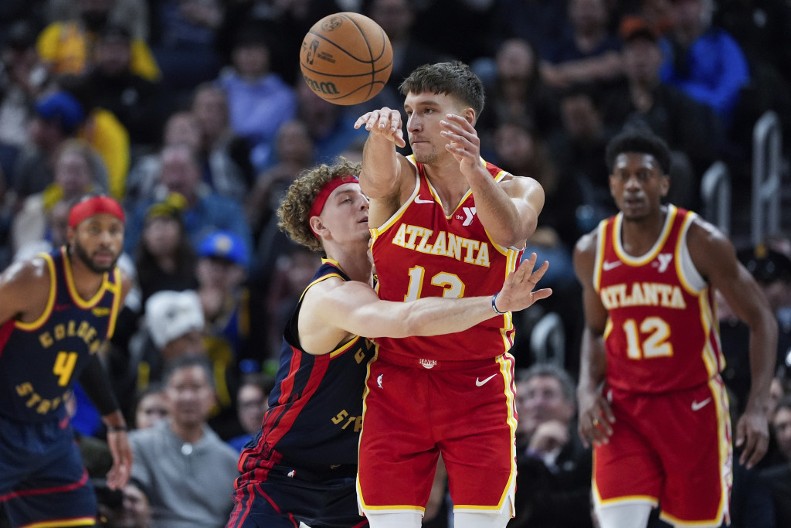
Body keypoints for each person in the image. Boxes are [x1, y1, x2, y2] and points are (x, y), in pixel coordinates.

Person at [226, 158, 551, 527]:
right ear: (319, 226)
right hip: (287, 476)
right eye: (347, 200)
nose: (363, 203)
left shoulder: (396, 279)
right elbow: (406, 319)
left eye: (363, 195)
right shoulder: (330, 295)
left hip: (354, 479)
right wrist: (494, 304)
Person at [353, 61, 546, 527]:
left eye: (428, 109)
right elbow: (372, 183)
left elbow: (512, 232)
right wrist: (380, 136)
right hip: (395, 380)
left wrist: (473, 169)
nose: (413, 122)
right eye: (408, 110)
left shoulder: (519, 186)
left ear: (466, 120)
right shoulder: (400, 178)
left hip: (476, 384)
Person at [573, 127, 777, 528]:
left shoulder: (700, 240)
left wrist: (757, 408)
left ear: (664, 183)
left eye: (644, 175)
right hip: (623, 410)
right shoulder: (591, 249)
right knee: (615, 521)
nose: (633, 185)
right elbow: (595, 331)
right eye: (623, 176)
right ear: (611, 184)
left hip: (692, 408)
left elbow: (762, 319)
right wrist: (584, 390)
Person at [0, 194, 133, 527]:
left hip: (49, 433)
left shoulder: (117, 288)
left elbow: (82, 351)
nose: (106, 239)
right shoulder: (32, 278)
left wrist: (114, 421)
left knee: (77, 517)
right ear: (71, 236)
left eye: (115, 231)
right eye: (94, 229)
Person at [129, 355, 238, 528]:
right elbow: (131, 489)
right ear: (165, 397)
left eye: (196, 388)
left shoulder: (231, 461)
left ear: (213, 397)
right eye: (179, 388)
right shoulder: (139, 444)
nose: (188, 397)